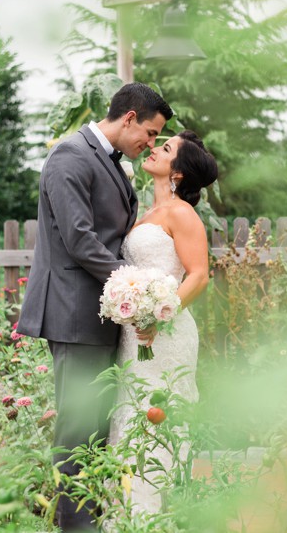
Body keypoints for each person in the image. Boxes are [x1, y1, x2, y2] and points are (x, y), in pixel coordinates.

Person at [16, 82, 172, 532]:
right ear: (128, 118)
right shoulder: (69, 157)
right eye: (149, 131)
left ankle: (95, 522)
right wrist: (136, 285)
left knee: (97, 432)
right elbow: (80, 239)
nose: (150, 143)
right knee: (77, 434)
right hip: (73, 313)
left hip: (100, 315)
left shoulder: (112, 165)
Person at [107, 130, 218, 515]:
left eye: (166, 148)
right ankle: (128, 515)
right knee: (129, 420)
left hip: (165, 337)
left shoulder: (181, 213)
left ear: (179, 173)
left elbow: (199, 275)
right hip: (134, 335)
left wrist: (159, 316)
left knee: (154, 422)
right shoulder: (146, 211)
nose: (154, 148)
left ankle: (149, 514)